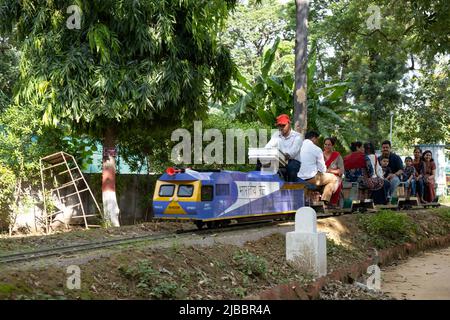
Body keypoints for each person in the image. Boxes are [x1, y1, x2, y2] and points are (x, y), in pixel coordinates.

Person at [297, 131, 337, 207]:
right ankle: (325, 201)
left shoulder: (298, 146)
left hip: (298, 177)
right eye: (317, 139)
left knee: (326, 181)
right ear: (314, 138)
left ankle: (313, 198)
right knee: (333, 179)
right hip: (311, 178)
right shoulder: (316, 149)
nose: (317, 141)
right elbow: (323, 169)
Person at [265, 114, 302, 182]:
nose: (281, 128)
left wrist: (281, 155)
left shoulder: (297, 136)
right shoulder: (276, 135)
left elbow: (293, 152)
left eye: (283, 125)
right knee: (263, 163)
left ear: (289, 124)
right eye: (279, 126)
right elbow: (268, 147)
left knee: (292, 167)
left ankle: (292, 189)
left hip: (292, 161)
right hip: (279, 160)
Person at [323, 137, 344, 206]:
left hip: (335, 178)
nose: (327, 146)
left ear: (332, 146)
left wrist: (329, 171)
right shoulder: (319, 155)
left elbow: (341, 171)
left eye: (329, 145)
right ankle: (325, 202)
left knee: (333, 183)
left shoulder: (337, 156)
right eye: (325, 144)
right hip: (322, 177)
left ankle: (331, 203)